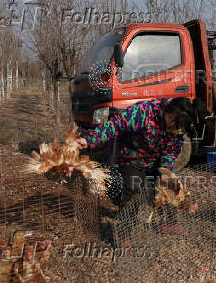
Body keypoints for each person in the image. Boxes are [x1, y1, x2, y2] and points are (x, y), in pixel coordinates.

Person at [76, 97, 197, 234]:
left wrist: (165, 171)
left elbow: (171, 150)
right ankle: (124, 233)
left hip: (155, 161)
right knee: (133, 187)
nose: (173, 127)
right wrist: (90, 139)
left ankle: (169, 222)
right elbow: (115, 125)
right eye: (172, 121)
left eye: (178, 126)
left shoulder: (178, 128)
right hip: (132, 158)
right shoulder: (144, 111)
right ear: (168, 111)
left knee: (170, 184)